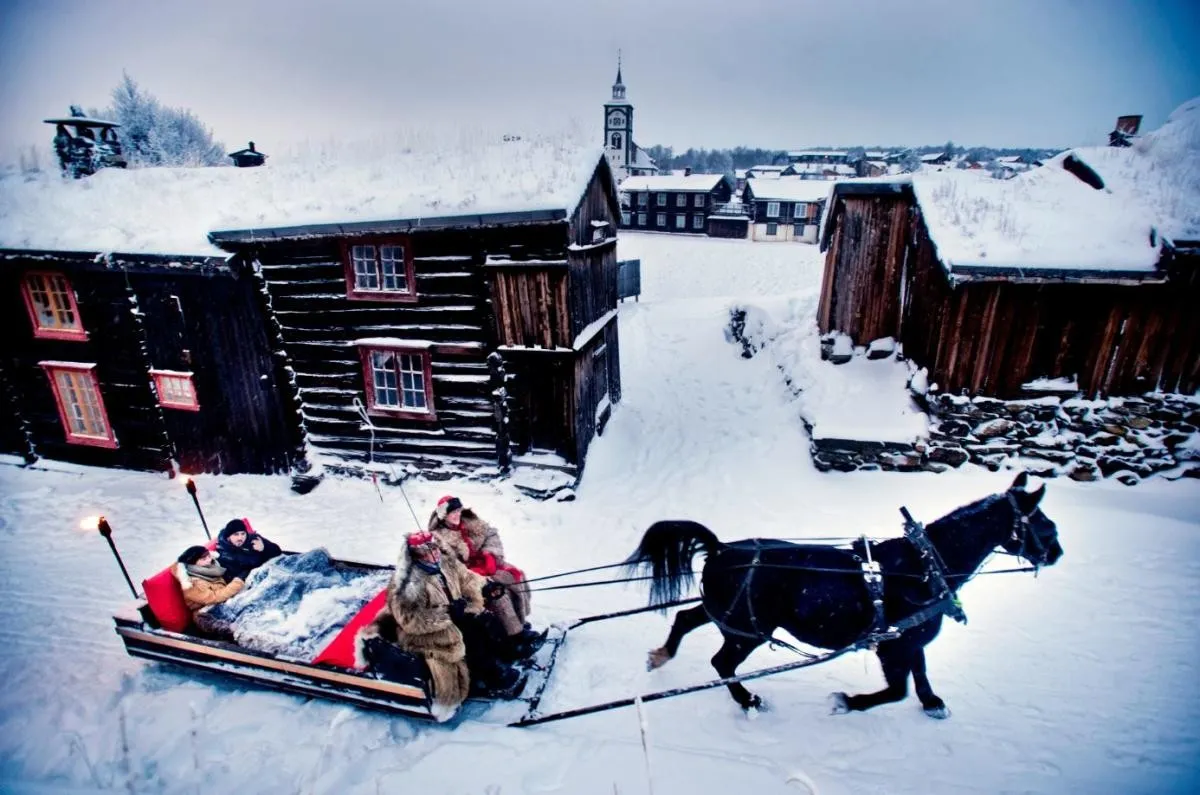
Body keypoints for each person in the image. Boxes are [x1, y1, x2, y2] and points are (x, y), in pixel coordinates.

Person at [357, 532, 523, 719]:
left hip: (453, 615)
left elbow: (467, 577)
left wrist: (485, 585)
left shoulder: (445, 562)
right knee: (468, 634)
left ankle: (499, 658)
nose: (434, 554)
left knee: (485, 619)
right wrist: (447, 614)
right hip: (422, 632)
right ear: (415, 554)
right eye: (426, 551)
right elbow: (411, 620)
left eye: (434, 548)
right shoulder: (406, 584)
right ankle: (490, 680)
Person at [428, 496, 544, 659]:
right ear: (443, 516)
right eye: (452, 512)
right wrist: (476, 573)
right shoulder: (440, 538)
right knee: (497, 592)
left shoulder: (470, 521)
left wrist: (489, 554)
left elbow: (491, 535)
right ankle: (515, 639)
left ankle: (519, 623)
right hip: (466, 576)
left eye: (458, 511)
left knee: (514, 575)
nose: (457, 515)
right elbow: (451, 567)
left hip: (483, 564)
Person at [174, 546, 244, 615]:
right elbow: (214, 598)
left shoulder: (210, 568)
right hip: (207, 613)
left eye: (209, 556)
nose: (209, 560)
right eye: (204, 559)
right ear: (192, 563)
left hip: (225, 602)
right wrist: (237, 583)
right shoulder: (192, 584)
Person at [216, 519, 282, 582]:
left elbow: (278, 551)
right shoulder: (224, 554)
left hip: (272, 571)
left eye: (243, 533)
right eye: (236, 534)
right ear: (228, 537)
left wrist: (264, 548)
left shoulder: (253, 539)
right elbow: (237, 576)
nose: (240, 538)